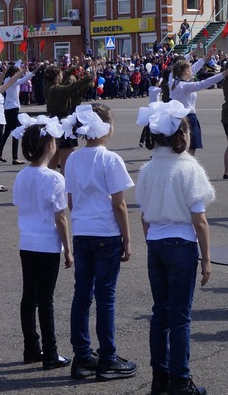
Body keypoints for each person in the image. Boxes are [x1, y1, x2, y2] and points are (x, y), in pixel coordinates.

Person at [135, 100, 215, 395]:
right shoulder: (189, 168)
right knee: (180, 317)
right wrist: (206, 259)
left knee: (161, 313)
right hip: (182, 244)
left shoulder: (148, 169)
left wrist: (151, 240)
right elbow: (200, 220)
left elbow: (144, 217)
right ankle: (181, 380)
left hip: (156, 243)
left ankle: (160, 377)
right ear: (183, 136)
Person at [61, 104, 137, 382]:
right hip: (106, 233)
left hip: (81, 231)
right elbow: (119, 204)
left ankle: (82, 356)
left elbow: (70, 201)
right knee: (106, 297)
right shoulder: (111, 159)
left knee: (82, 294)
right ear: (105, 128)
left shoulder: (72, 159)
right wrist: (127, 239)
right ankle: (108, 357)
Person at [9, 114, 72, 371]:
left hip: (27, 241)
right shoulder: (55, 178)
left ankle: (31, 348)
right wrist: (68, 249)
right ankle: (51, 353)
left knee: (29, 297)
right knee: (45, 299)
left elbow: (20, 204)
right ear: (49, 146)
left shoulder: (22, 175)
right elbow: (61, 218)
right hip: (47, 244)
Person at [168, 48, 228, 156]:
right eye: (189, 68)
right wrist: (224, 74)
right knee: (188, 151)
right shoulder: (183, 86)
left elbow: (193, 69)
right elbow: (204, 83)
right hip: (187, 119)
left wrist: (204, 59)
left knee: (184, 151)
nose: (192, 70)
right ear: (185, 71)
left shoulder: (175, 81)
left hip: (180, 118)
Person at [1, 64, 35, 166]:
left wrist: (26, 70)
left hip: (8, 108)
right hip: (12, 109)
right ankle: (15, 157)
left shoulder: (7, 80)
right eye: (17, 72)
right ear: (13, 73)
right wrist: (32, 72)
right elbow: (24, 80)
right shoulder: (12, 81)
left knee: (7, 133)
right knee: (16, 132)